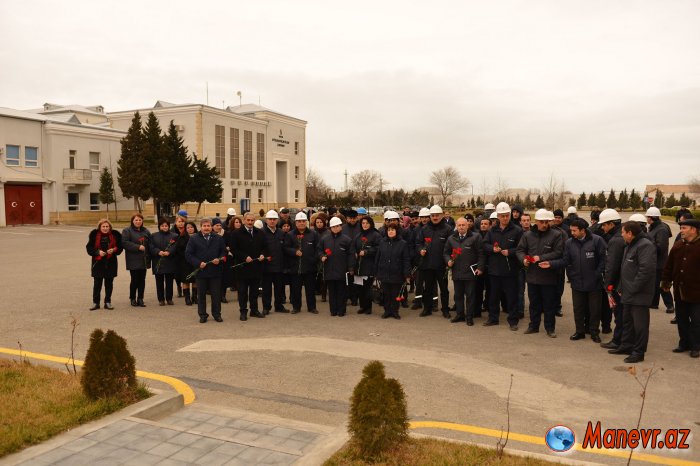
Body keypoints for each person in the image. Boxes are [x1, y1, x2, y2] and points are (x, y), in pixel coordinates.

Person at [542, 218, 606, 342]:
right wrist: (550, 263)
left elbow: (603, 260)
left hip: (594, 283)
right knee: (578, 308)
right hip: (577, 282)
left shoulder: (597, 241)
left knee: (594, 310)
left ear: (583, 230)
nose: (572, 233)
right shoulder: (570, 243)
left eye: (575, 230)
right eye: (571, 230)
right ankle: (579, 331)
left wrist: (597, 274)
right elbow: (566, 261)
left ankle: (594, 332)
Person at [608, 221, 657, 363]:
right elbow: (626, 270)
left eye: (623, 232)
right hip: (628, 293)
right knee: (627, 322)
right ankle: (626, 346)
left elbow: (645, 271)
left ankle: (639, 352)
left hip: (639, 294)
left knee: (640, 325)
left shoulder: (645, 245)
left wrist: (632, 288)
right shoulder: (630, 245)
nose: (621, 234)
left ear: (630, 233)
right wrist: (621, 288)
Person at [516, 209, 563, 336]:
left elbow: (558, 252)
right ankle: (534, 326)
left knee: (549, 304)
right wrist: (524, 259)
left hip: (549, 276)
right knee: (534, 304)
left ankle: (550, 328)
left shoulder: (556, 235)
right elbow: (519, 250)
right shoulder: (527, 235)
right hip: (532, 276)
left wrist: (540, 258)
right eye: (541, 222)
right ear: (536, 221)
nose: (544, 224)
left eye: (546, 222)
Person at [661, 218, 700, 359]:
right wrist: (666, 281)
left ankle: (696, 346)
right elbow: (669, 265)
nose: (681, 231)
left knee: (696, 322)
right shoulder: (678, 245)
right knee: (682, 320)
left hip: (697, 293)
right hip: (680, 291)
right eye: (681, 228)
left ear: (694, 230)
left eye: (684, 228)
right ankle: (684, 343)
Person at [483, 202, 523, 328]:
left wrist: (510, 252)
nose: (505, 218)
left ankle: (513, 321)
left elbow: (522, 249)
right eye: (502, 216)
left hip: (510, 270)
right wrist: (492, 249)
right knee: (493, 296)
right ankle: (493, 318)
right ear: (498, 217)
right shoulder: (492, 230)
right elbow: (484, 245)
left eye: (507, 216)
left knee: (512, 297)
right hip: (494, 270)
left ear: (510, 215)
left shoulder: (517, 230)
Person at [185, 217, 227, 323]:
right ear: (201, 227)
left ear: (211, 227)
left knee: (216, 295)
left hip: (215, 271)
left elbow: (224, 252)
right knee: (201, 295)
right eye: (204, 226)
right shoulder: (194, 238)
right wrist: (198, 263)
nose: (207, 228)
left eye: (208, 226)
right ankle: (203, 315)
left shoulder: (218, 238)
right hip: (201, 272)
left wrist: (219, 259)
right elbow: (188, 254)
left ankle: (217, 314)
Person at [444, 217, 485, 325]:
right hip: (457, 271)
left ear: (467, 226)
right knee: (458, 295)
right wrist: (448, 261)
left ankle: (469, 316)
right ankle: (460, 314)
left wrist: (480, 268)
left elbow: (481, 254)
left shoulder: (476, 237)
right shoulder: (451, 238)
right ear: (456, 226)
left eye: (463, 225)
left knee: (470, 295)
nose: (461, 227)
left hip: (470, 272)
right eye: (459, 225)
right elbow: (446, 253)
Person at [415, 205, 453, 318]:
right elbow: (418, 242)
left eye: (437, 215)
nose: (435, 217)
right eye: (433, 215)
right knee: (427, 289)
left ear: (441, 215)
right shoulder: (425, 229)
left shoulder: (448, 229)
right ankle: (427, 309)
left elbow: (451, 246)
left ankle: (445, 310)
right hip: (427, 264)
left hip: (442, 266)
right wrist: (420, 249)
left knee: (444, 289)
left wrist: (448, 261)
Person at [231, 212, 268, 321]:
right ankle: (243, 311)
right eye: (248, 220)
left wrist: (263, 254)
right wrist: (244, 257)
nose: (250, 222)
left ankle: (254, 310)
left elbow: (265, 247)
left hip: (256, 267)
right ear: (244, 220)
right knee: (242, 292)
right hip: (242, 268)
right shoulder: (236, 233)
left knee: (254, 292)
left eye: (252, 220)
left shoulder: (260, 233)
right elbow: (234, 249)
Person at [599, 209, 626, 349]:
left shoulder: (615, 240)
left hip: (616, 284)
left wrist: (608, 284)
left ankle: (618, 341)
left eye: (604, 225)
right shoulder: (623, 235)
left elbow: (612, 265)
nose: (602, 228)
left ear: (611, 224)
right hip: (624, 282)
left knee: (619, 313)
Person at [318, 216, 355, 316]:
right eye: (333, 227)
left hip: (342, 270)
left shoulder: (347, 240)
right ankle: (333, 310)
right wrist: (321, 256)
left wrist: (351, 267)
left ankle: (341, 310)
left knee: (341, 292)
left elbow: (351, 255)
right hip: (329, 270)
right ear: (330, 228)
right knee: (332, 292)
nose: (335, 228)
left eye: (337, 226)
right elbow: (319, 250)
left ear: (341, 227)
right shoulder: (325, 239)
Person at [284, 212, 320, 314]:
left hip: (310, 267)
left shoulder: (313, 234)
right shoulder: (290, 235)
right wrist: (294, 252)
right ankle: (296, 307)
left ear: (306, 222)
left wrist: (314, 259)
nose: (301, 223)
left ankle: (312, 307)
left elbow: (318, 248)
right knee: (296, 289)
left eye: (303, 221)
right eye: (299, 221)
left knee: (310, 289)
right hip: (295, 267)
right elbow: (285, 248)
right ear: (295, 223)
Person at [375, 224, 411, 319]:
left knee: (395, 294)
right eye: (389, 230)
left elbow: (406, 259)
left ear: (397, 231)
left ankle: (395, 311)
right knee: (386, 294)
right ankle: (387, 311)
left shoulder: (403, 243)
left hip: (397, 273)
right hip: (384, 272)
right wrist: (376, 272)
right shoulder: (382, 242)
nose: (390, 231)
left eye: (393, 230)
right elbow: (378, 257)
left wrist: (407, 274)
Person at [86, 219, 122, 310]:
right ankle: (96, 303)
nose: (105, 228)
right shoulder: (94, 235)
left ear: (110, 227)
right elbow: (89, 248)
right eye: (103, 226)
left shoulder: (115, 235)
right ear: (99, 227)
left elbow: (120, 247)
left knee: (109, 283)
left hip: (111, 262)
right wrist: (97, 252)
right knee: (97, 283)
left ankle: (107, 302)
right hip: (98, 263)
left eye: (107, 226)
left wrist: (114, 250)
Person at [645, 206, 675, 313]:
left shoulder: (661, 229)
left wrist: (648, 242)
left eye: (647, 217)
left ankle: (670, 305)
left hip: (660, 262)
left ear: (652, 217)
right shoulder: (653, 227)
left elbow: (660, 248)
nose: (646, 219)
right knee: (654, 283)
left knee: (663, 284)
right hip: (655, 262)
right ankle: (654, 303)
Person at [261, 210, 289, 314]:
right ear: (266, 220)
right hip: (266, 267)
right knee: (266, 289)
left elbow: (285, 249)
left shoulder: (282, 233)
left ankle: (279, 306)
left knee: (279, 288)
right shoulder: (261, 232)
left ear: (277, 220)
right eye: (270, 219)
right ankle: (266, 307)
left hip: (279, 266)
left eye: (274, 219)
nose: (272, 221)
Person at [122, 213, 152, 307]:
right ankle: (132, 298)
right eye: (136, 220)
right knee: (134, 279)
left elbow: (151, 243)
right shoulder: (127, 230)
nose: (138, 222)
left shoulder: (146, 231)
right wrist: (138, 247)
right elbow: (125, 243)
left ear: (142, 221)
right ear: (132, 221)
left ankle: (140, 298)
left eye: (140, 220)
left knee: (142, 280)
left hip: (144, 259)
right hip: (133, 259)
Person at [353, 216, 381, 315]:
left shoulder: (375, 235)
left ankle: (368, 307)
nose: (365, 225)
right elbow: (354, 247)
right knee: (360, 288)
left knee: (367, 288)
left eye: (367, 223)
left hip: (369, 266)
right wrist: (355, 253)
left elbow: (378, 248)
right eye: (363, 223)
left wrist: (367, 252)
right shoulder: (358, 235)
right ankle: (362, 306)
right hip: (359, 267)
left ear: (371, 224)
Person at [150, 217, 179, 306]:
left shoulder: (174, 236)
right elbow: (151, 246)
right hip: (158, 261)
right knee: (159, 282)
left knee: (169, 281)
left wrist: (169, 252)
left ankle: (169, 298)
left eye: (166, 226)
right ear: (159, 227)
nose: (164, 227)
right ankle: (161, 299)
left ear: (169, 226)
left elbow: (175, 247)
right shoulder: (154, 235)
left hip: (170, 261)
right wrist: (158, 252)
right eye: (162, 226)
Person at [172, 215, 193, 304]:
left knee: (192, 278)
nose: (181, 223)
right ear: (176, 223)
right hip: (179, 259)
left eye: (182, 222)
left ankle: (194, 296)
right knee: (182, 278)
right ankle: (184, 294)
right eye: (179, 221)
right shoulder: (172, 233)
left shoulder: (187, 232)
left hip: (189, 259)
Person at [184, 221, 199, 305]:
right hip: (185, 262)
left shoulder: (198, 236)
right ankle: (187, 298)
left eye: (191, 227)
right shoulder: (182, 237)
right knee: (186, 280)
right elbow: (179, 250)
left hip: (195, 262)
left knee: (195, 280)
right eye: (188, 228)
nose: (190, 229)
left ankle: (194, 297)